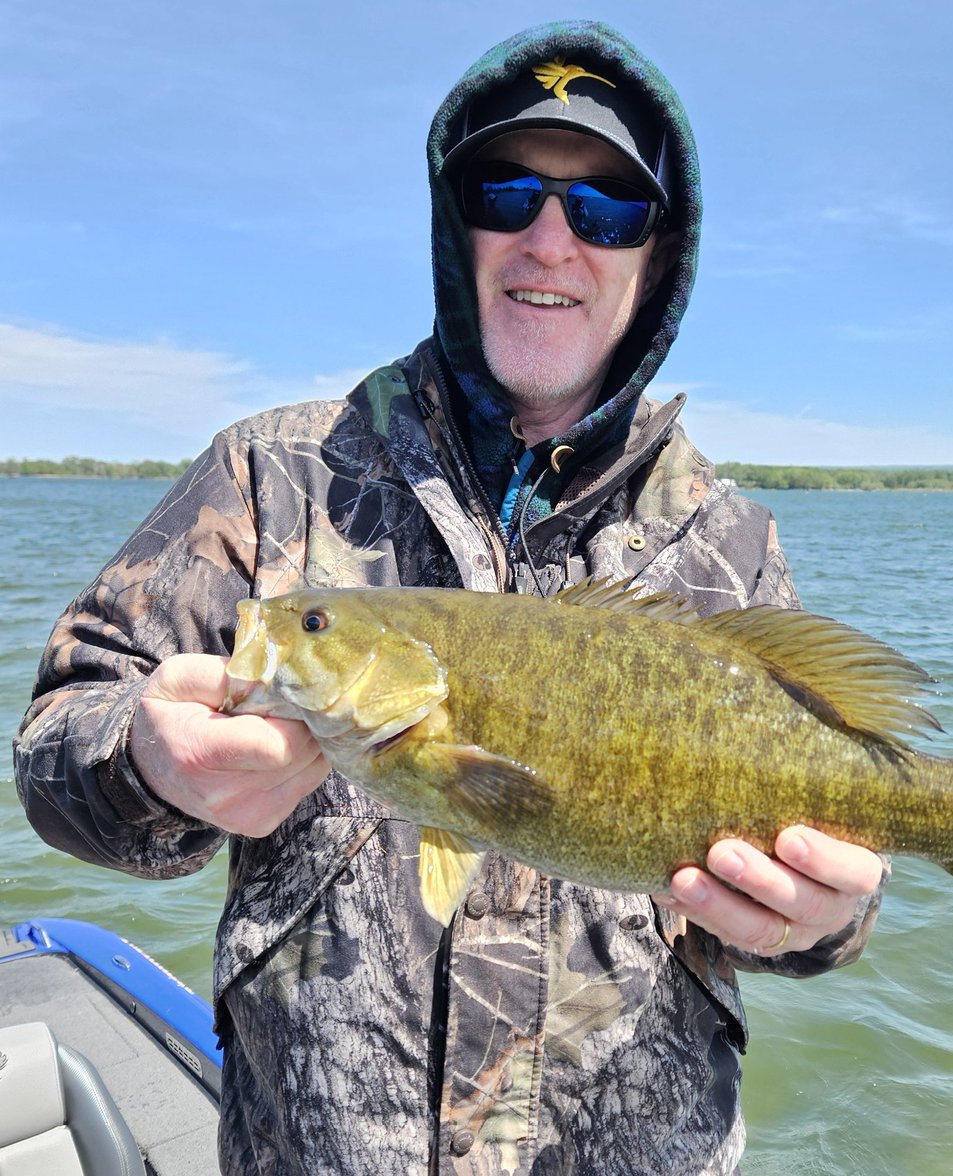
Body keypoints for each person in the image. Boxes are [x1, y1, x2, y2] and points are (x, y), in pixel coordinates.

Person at [15, 21, 886, 1175]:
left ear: (657, 256)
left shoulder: (728, 539)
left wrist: (824, 925)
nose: (552, 240)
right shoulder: (274, 472)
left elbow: (821, 871)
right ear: (451, 223)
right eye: (505, 190)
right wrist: (148, 764)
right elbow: (54, 744)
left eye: (606, 209)